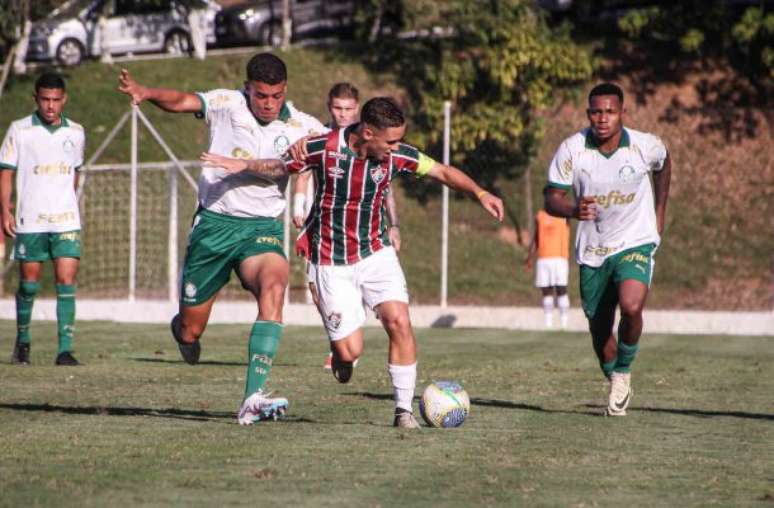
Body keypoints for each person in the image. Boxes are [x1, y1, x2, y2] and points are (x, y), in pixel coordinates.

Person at [201, 97, 505, 428]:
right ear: (368, 132)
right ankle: (341, 352)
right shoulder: (322, 147)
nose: (396, 147)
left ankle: (402, 411)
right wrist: (244, 165)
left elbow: (442, 171)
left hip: (376, 252)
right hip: (330, 261)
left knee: (399, 320)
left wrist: (480, 193)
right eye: (390, 141)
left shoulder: (398, 157)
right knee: (349, 353)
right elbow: (280, 166)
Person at [117, 53, 326, 425]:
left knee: (275, 285)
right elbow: (183, 100)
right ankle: (182, 331)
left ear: (285, 90)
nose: (268, 103)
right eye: (261, 95)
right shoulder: (227, 104)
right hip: (214, 226)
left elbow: (333, 149)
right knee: (191, 328)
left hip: (261, 229)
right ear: (248, 88)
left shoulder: (302, 126)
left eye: (276, 95)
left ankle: (251, 398)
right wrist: (147, 92)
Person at [544, 82, 671, 417]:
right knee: (599, 329)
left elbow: (664, 163)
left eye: (610, 112)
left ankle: (624, 370)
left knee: (631, 305)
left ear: (622, 113)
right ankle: (615, 374)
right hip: (593, 249)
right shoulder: (573, 149)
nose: (603, 118)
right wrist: (572, 210)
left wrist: (659, 212)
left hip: (635, 240)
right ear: (588, 114)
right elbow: (551, 197)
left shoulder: (645, 146)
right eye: (596, 112)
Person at [290, 82, 401, 370]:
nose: (343, 114)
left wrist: (394, 224)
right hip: (323, 225)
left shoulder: (376, 141)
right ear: (329, 107)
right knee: (324, 285)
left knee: (362, 282)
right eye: (338, 108)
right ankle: (337, 340)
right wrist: (299, 207)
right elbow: (300, 171)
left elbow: (386, 186)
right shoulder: (321, 138)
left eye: (349, 109)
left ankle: (346, 335)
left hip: (363, 231)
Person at [0, 72, 85, 366]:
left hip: (65, 220)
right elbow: (6, 171)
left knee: (66, 278)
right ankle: (22, 341)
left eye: (56, 100)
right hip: (31, 219)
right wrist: (5, 210)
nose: (50, 106)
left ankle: (65, 350)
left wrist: (69, 203)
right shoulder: (19, 130)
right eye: (45, 99)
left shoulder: (76, 132)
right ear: (35, 98)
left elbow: (76, 171)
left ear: (64, 100)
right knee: (29, 283)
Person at [525, 208, 571, 329]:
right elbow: (536, 237)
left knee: (561, 289)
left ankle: (564, 323)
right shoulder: (540, 215)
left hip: (560, 258)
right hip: (543, 258)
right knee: (546, 291)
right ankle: (548, 323)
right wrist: (530, 255)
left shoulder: (564, 213)